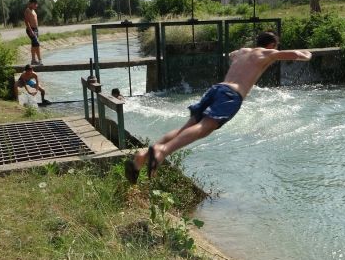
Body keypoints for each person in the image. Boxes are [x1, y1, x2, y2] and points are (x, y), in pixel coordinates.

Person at [124, 31, 312, 184]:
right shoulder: (267, 53)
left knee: (185, 128)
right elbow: (296, 55)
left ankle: (142, 157)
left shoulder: (243, 51)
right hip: (231, 95)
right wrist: (308, 54)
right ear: (271, 45)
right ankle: (161, 152)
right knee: (204, 128)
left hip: (217, 88)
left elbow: (232, 55)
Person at [24, 0, 42, 65]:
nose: (36, 5)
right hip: (30, 29)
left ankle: (33, 60)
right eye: (35, 4)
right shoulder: (27, 10)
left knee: (34, 45)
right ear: (31, 3)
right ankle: (40, 60)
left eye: (36, 4)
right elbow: (26, 21)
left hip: (35, 30)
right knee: (37, 44)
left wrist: (36, 29)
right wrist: (30, 30)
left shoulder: (34, 11)